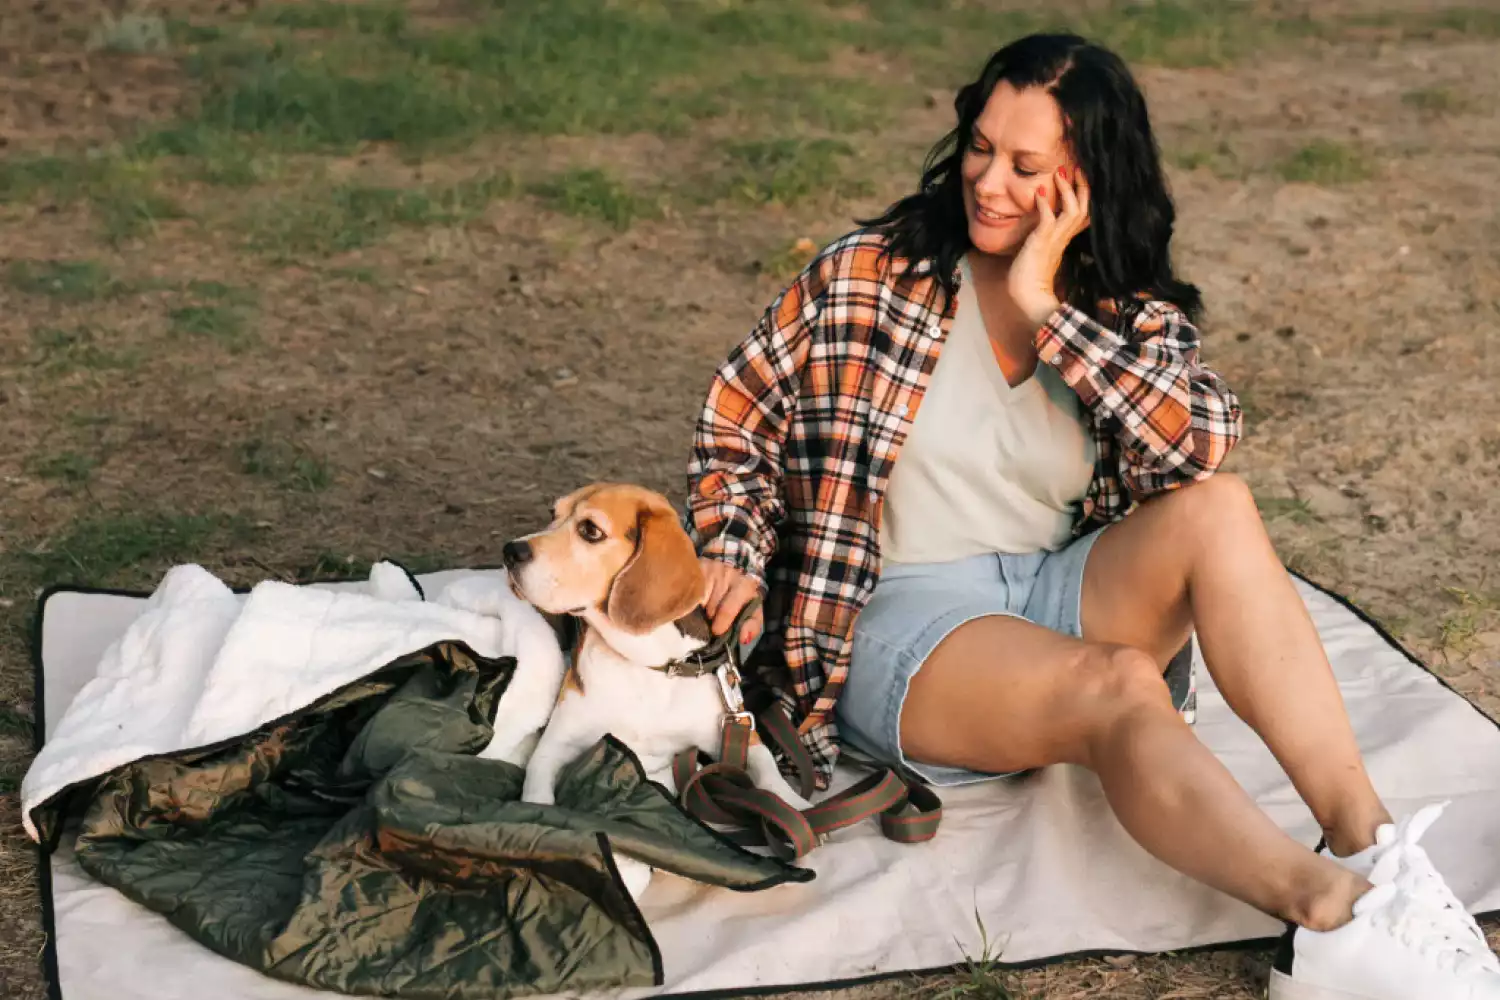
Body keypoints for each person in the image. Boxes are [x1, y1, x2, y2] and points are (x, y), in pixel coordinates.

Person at [682, 30, 1499, 1000]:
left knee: (1220, 508)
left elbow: (1200, 443)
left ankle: (1371, 847)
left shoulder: (1118, 307)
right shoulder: (870, 275)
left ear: (1085, 181)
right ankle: (1332, 915)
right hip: (895, 613)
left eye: (1027, 166)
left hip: (1049, 586)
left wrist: (1045, 304)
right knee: (1119, 686)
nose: (987, 182)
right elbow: (735, 427)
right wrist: (731, 552)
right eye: (981, 148)